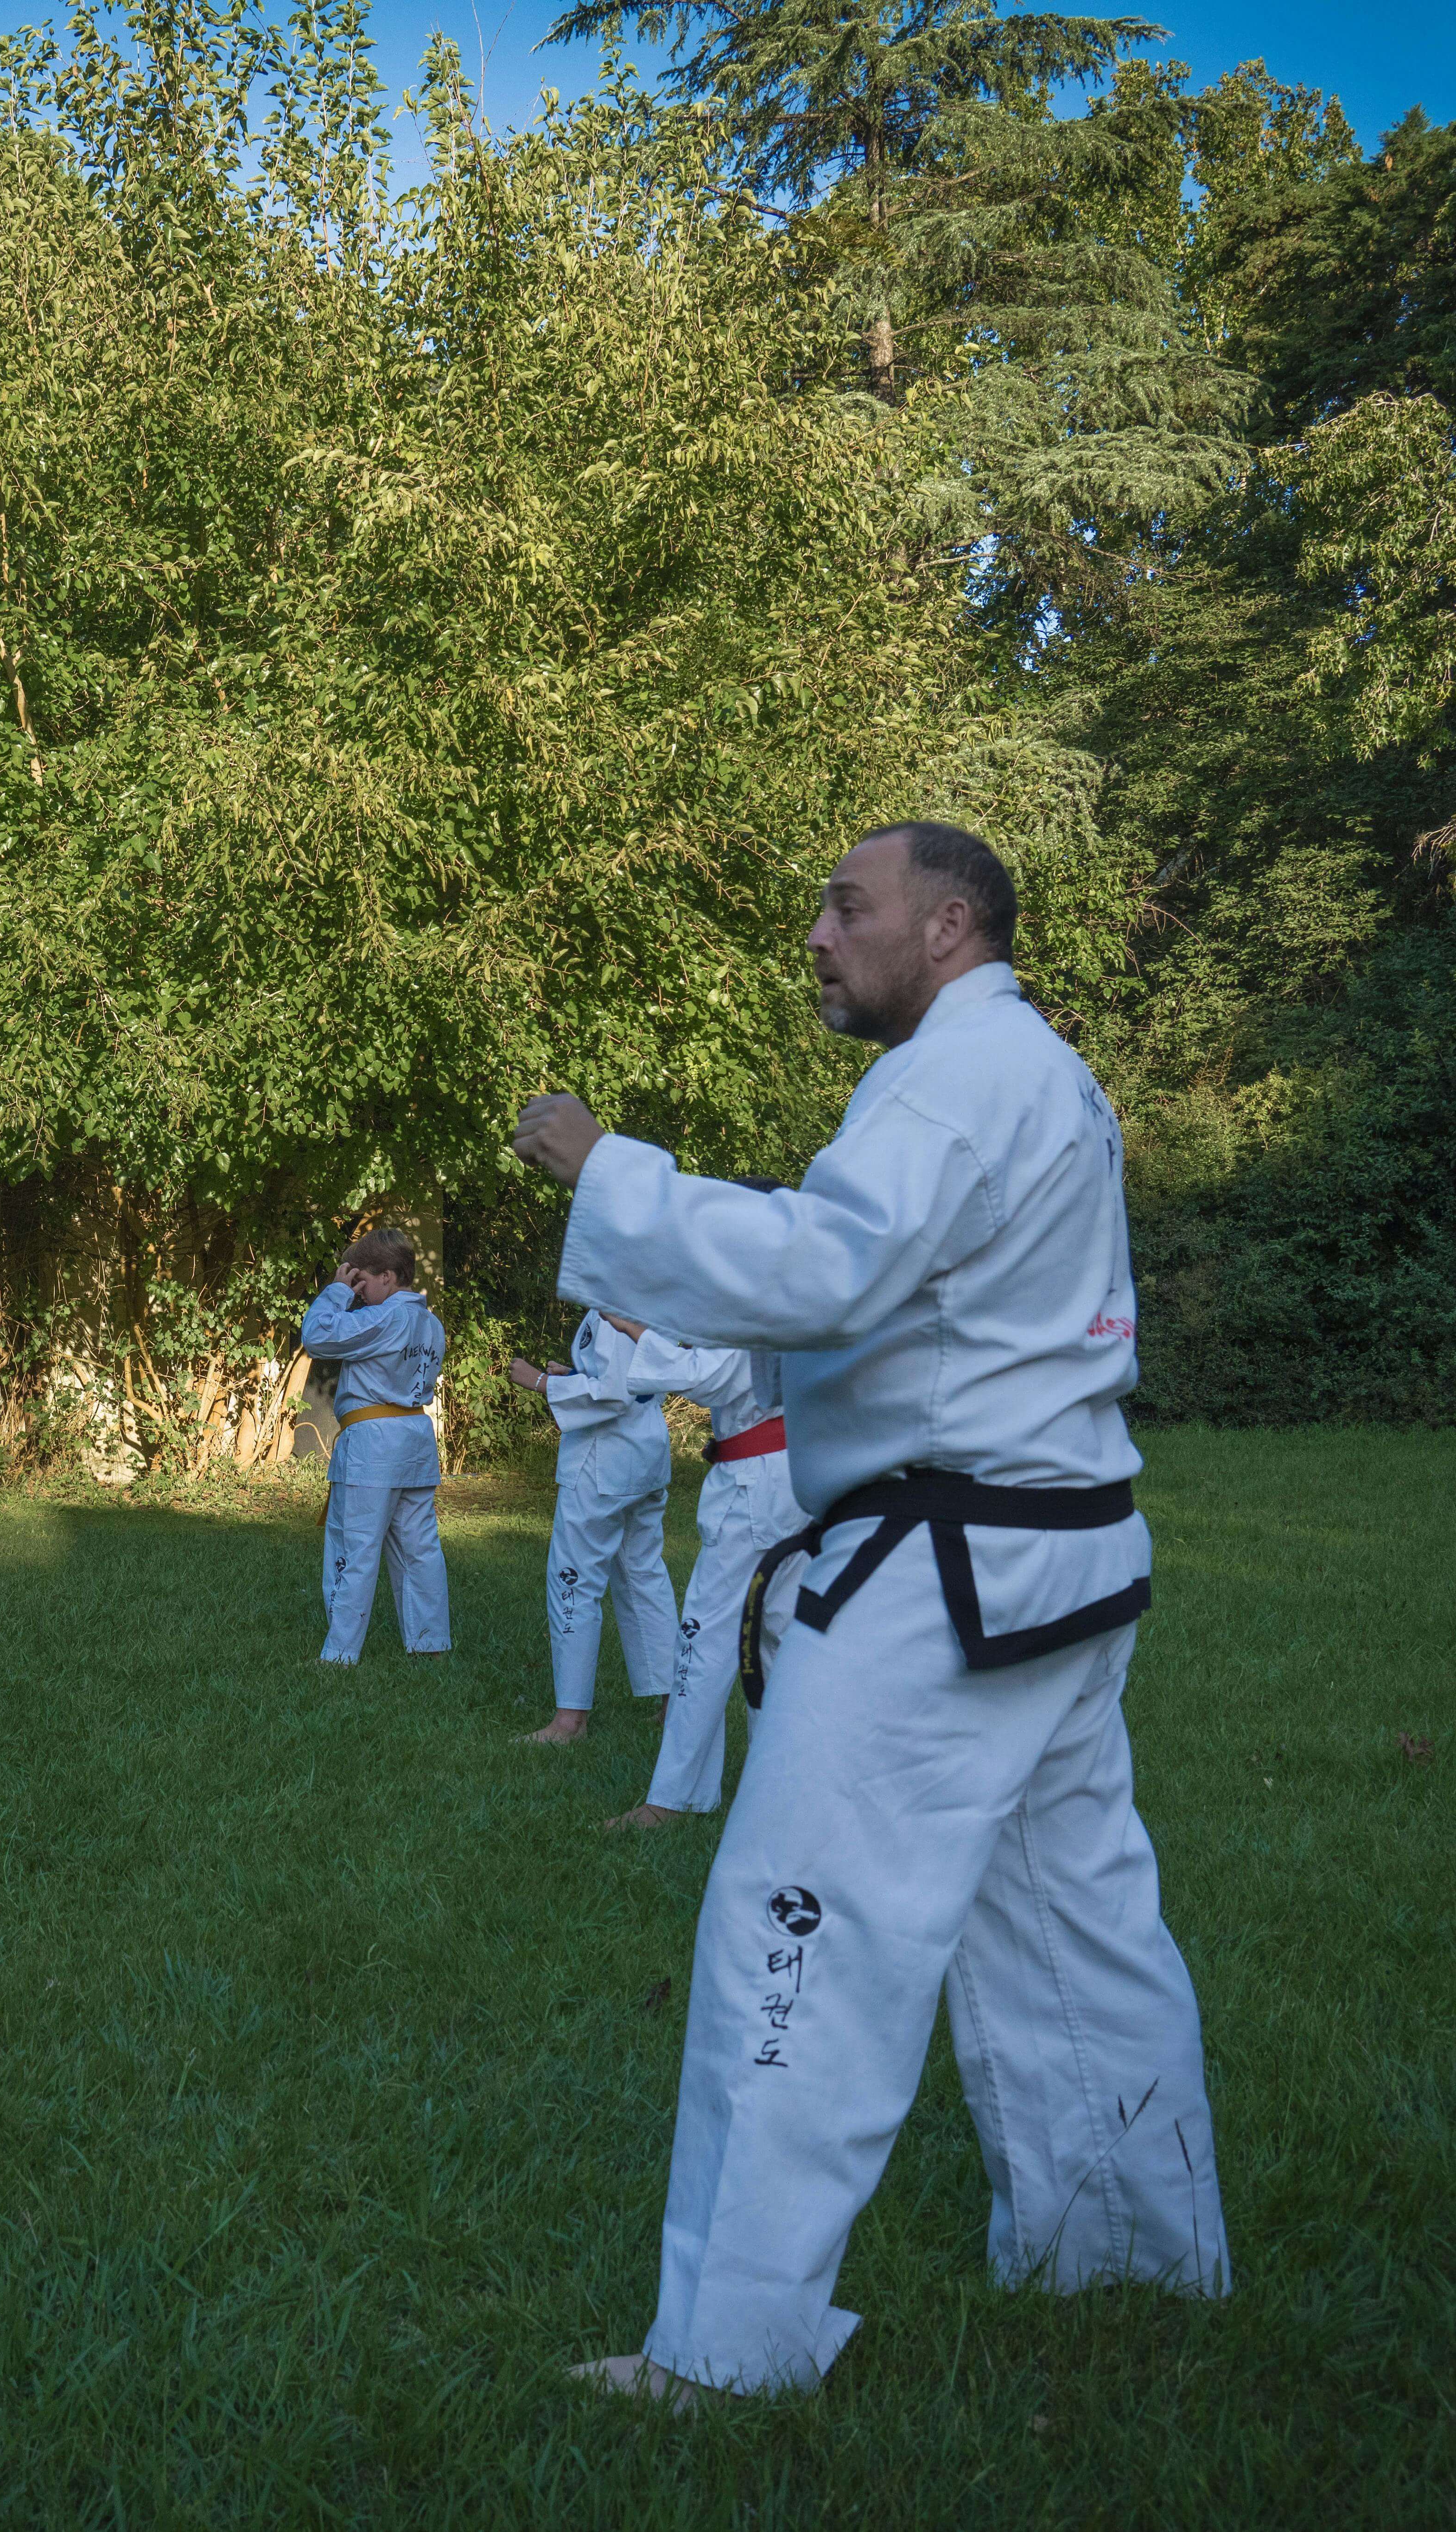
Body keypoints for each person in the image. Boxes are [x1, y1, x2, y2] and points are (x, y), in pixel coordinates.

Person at [515, 820, 1227, 2406]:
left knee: (795, 1935)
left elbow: (827, 1270)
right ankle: (1129, 2257)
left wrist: (608, 1171)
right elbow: (896, 1281)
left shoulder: (966, 1074)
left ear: (949, 925)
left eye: (851, 907)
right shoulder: (1029, 1068)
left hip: (946, 1584)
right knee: (1071, 1932)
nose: (821, 936)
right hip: (1053, 1566)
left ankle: (729, 2353)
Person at [607, 1199, 802, 1827]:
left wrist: (638, 1331)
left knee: (706, 1635)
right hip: (791, 1482)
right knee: (781, 1635)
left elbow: (713, 1376)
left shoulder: (761, 1301)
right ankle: (790, 1789)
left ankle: (675, 1799)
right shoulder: (795, 1289)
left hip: (757, 1489)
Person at [502, 1308, 696, 1744]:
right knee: (643, 1574)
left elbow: (611, 1393)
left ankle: (569, 1721)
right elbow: (628, 1375)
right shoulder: (653, 1295)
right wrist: (574, 1374)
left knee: (574, 1579)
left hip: (604, 1462)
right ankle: (674, 1706)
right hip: (644, 1453)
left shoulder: (615, 1304)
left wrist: (542, 1382)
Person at [298, 1228, 450, 1665]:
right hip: (414, 1439)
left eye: (361, 1279)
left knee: (355, 1544)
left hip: (373, 1443)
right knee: (419, 1547)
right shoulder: (430, 1322)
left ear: (387, 1276)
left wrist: (335, 1293)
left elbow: (318, 1336)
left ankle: (339, 1653)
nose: (358, 1290)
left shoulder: (387, 1318)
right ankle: (430, 1643)